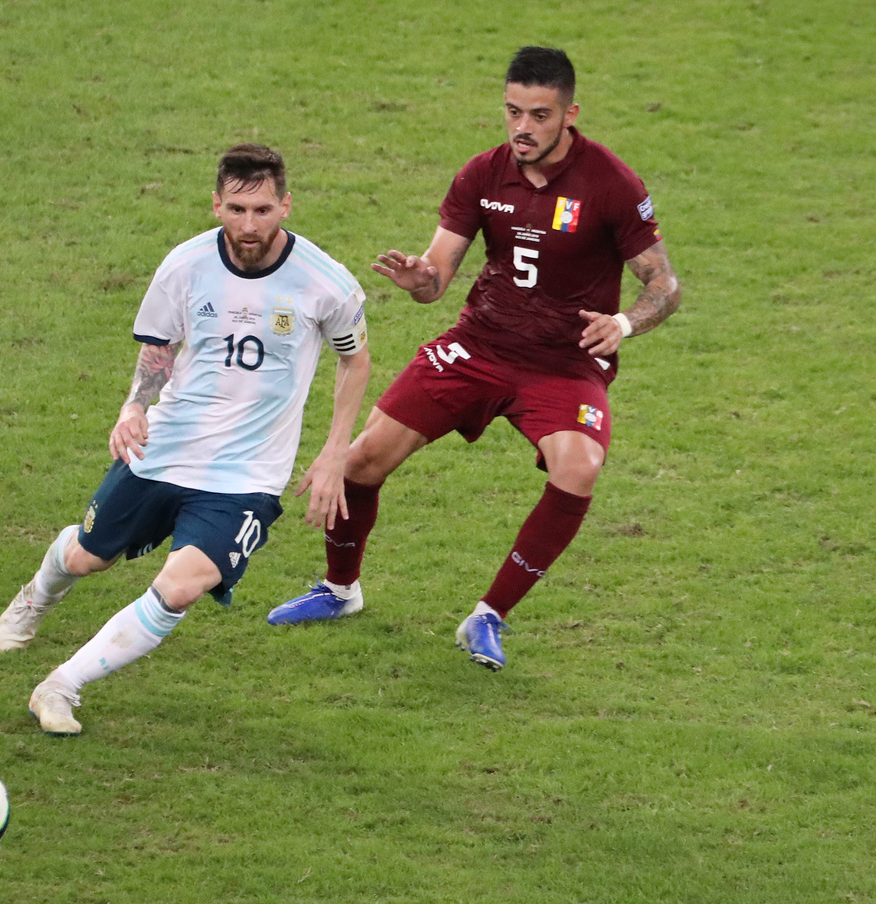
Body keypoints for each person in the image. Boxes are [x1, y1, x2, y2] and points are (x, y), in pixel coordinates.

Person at [267, 47, 681, 672]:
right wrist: (419, 280)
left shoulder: (611, 184)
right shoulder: (483, 175)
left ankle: (488, 616)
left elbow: (664, 285)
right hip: (480, 345)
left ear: (570, 114)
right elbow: (437, 277)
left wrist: (622, 323)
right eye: (513, 112)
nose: (523, 128)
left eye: (539, 115)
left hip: (564, 364)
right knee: (362, 459)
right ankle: (339, 589)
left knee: (580, 467)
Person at [0, 144, 371, 734]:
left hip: (248, 474)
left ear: (286, 205)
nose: (249, 225)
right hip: (166, 448)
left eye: (262, 210)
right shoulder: (186, 265)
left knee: (183, 585)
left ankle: (60, 686)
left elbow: (355, 359)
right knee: (88, 556)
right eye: (237, 209)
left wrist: (333, 451)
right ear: (216, 205)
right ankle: (37, 596)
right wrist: (134, 406)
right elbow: (158, 347)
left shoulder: (325, 282)